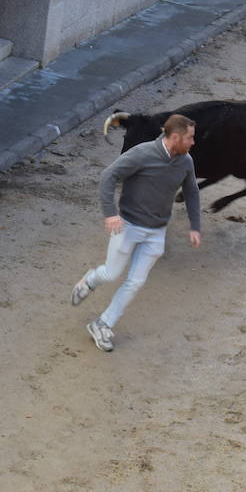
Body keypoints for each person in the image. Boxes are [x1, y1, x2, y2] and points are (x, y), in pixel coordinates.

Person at [70, 113, 201, 352]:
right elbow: (108, 175)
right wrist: (110, 213)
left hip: (157, 231)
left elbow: (191, 192)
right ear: (175, 137)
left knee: (135, 282)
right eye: (190, 138)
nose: (193, 142)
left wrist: (195, 227)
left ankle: (103, 324)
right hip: (128, 226)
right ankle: (90, 280)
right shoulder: (142, 154)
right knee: (111, 274)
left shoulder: (185, 162)